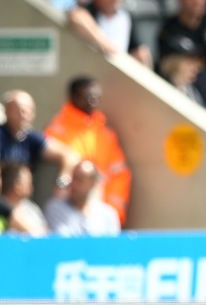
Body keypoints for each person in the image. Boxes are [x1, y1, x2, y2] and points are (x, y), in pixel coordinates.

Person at [44, 77, 132, 225]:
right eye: (87, 97)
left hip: (100, 214)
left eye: (96, 97)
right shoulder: (56, 130)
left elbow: (119, 174)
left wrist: (115, 211)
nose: (93, 102)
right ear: (74, 97)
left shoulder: (105, 134)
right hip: (67, 213)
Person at [0, 89, 75, 177]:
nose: (23, 113)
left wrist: (64, 179)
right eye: (18, 109)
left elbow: (67, 154)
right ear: (6, 111)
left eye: (28, 109)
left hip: (23, 189)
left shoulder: (31, 137)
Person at [44, 160, 121, 236]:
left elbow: (114, 245)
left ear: (92, 184)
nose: (74, 184)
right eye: (74, 178)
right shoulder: (56, 207)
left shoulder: (108, 214)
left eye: (80, 180)